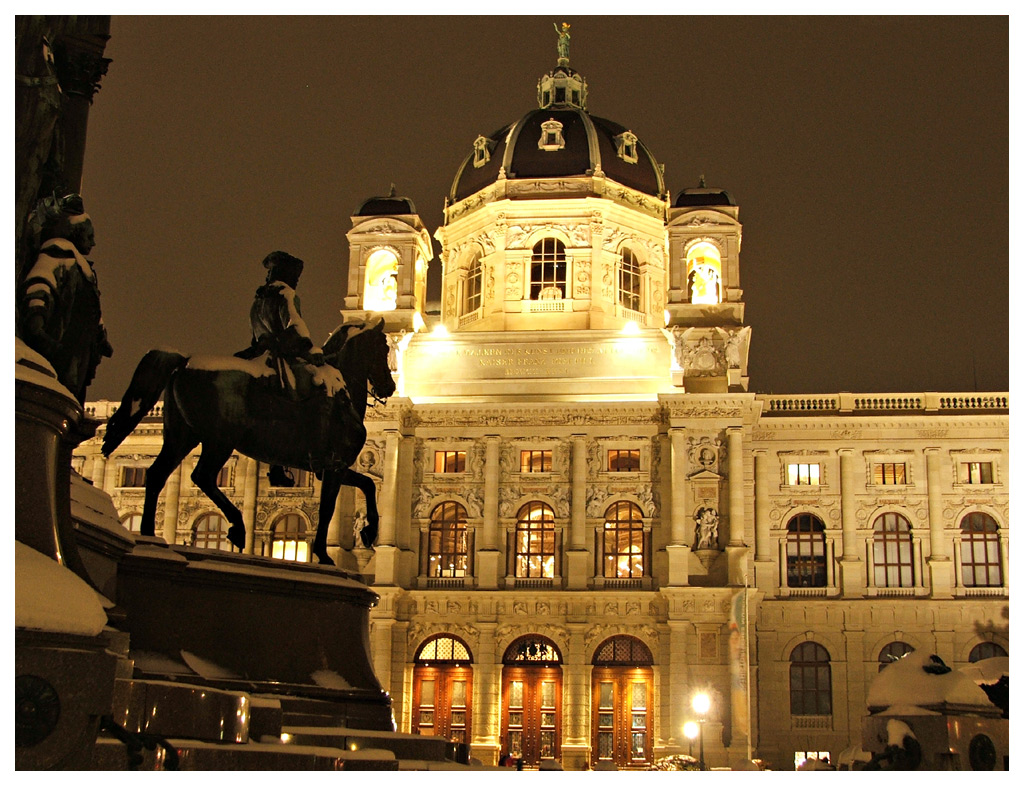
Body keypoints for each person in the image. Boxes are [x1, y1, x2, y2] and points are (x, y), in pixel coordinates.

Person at [19, 193, 113, 403]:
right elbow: (41, 284)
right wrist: (37, 322)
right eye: (89, 236)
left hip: (77, 348)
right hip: (61, 345)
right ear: (76, 232)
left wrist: (100, 335)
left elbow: (93, 309)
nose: (94, 243)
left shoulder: (83, 268)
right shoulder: (60, 254)